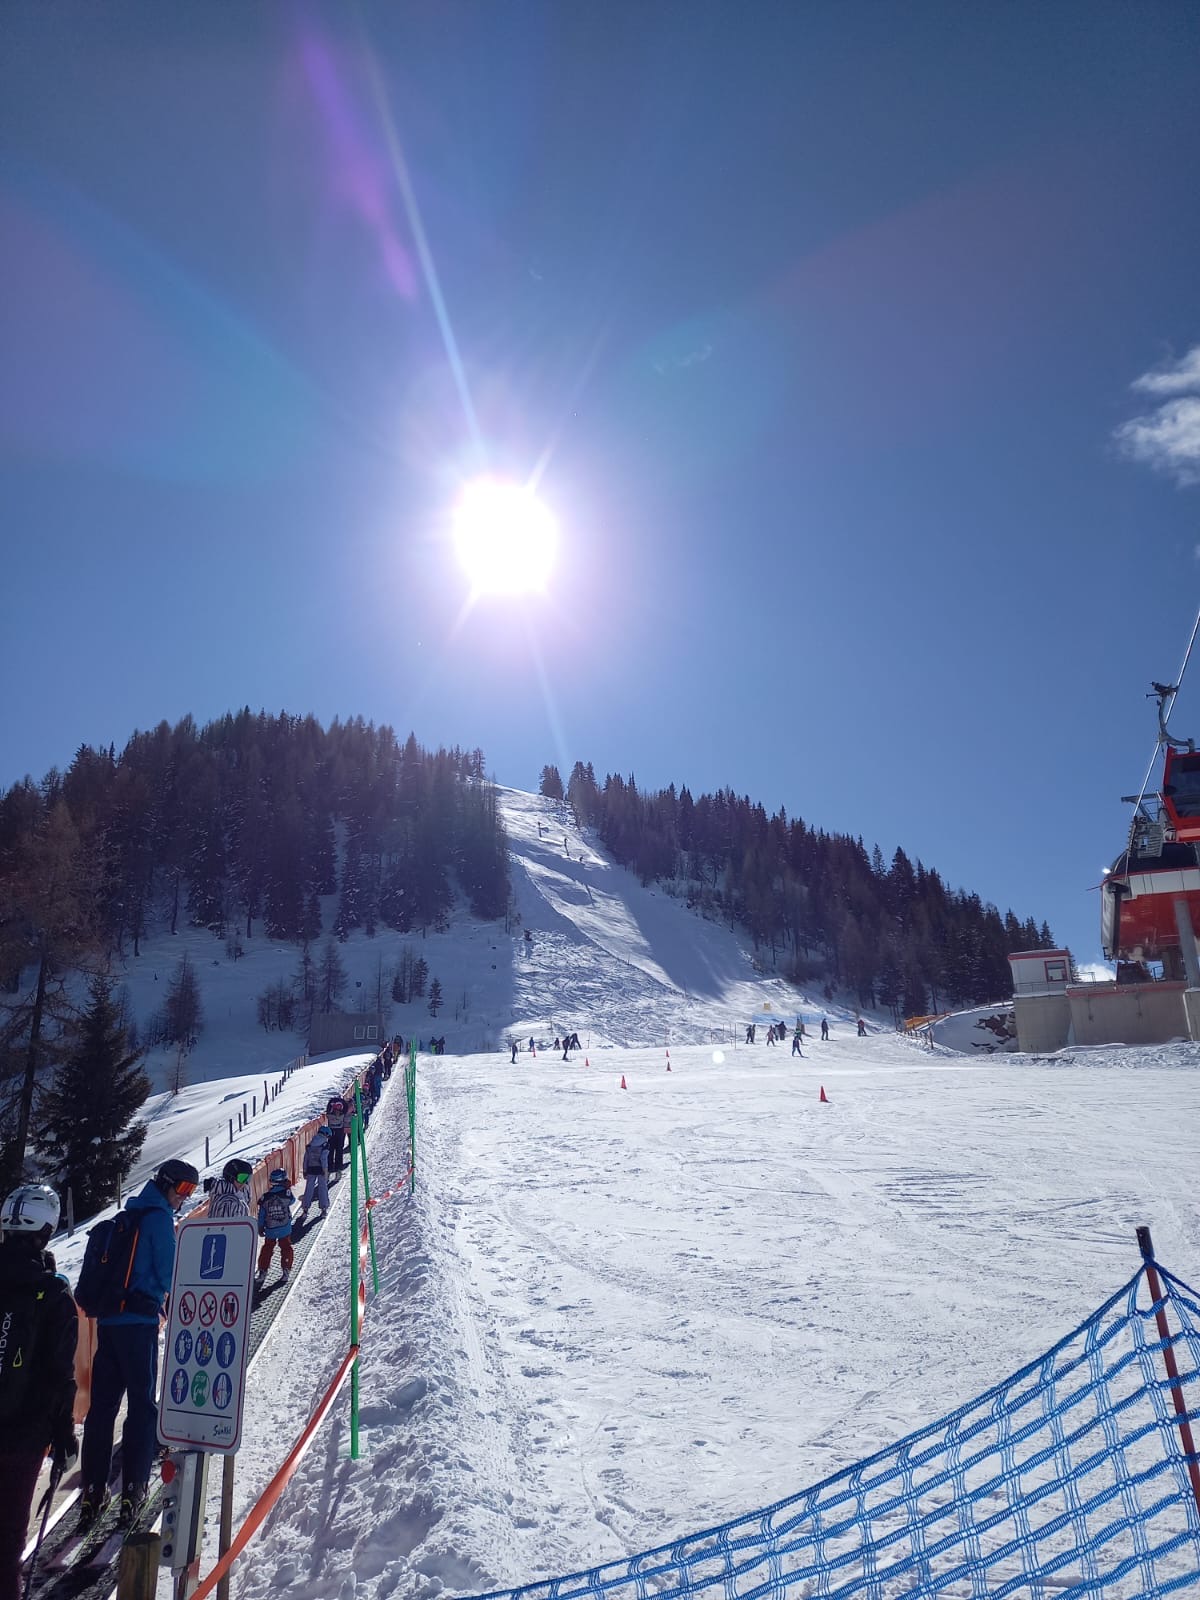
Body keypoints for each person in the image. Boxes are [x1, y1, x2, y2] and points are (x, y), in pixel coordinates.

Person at [80, 1157, 199, 1532]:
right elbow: (169, 1272)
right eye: (183, 1188)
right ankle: (134, 1487)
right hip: (139, 1325)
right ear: (166, 1184)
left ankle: (93, 1492)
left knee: (102, 1409)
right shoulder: (158, 1218)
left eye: (191, 1191)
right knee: (142, 1407)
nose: (184, 1197)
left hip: (109, 1325)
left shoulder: (129, 1214)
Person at [0, 1184, 77, 1600]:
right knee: (7, 1541)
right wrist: (63, 1437)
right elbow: (60, 1374)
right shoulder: (52, 1291)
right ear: (46, 1231)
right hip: (23, 1436)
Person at [255, 1169, 295, 1291]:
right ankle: (286, 1269)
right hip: (284, 1228)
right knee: (286, 1247)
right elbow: (292, 1201)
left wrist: (260, 1226)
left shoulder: (265, 1197)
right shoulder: (286, 1194)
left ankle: (263, 1271)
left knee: (267, 1249)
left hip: (270, 1229)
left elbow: (261, 1214)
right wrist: (288, 1188)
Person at [299, 1126, 331, 1224]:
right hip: (321, 1169)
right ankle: (323, 1208)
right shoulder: (325, 1145)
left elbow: (306, 1158)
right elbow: (323, 1159)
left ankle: (305, 1208)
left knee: (309, 1189)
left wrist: (305, 1170)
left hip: (311, 1168)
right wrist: (325, 1171)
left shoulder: (311, 1144)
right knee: (322, 1188)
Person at [324, 1096, 348, 1174]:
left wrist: (333, 1100)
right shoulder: (341, 1114)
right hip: (336, 1133)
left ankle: (334, 1166)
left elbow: (328, 1109)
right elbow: (346, 1108)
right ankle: (335, 1166)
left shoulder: (331, 1115)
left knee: (336, 1149)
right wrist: (340, 1100)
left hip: (335, 1132)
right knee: (335, 1149)